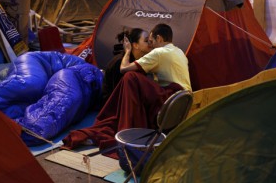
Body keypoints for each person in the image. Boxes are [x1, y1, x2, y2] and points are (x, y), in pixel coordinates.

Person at [62, 23, 191, 158]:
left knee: (132, 77)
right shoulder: (177, 51)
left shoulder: (156, 55)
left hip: (173, 99)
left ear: (159, 38)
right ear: (135, 45)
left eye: (151, 41)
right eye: (147, 41)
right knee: (131, 78)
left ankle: (133, 129)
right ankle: (129, 130)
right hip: (181, 98)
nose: (150, 45)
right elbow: (118, 88)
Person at [101, 28, 151, 102]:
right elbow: (116, 93)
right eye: (146, 41)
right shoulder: (119, 63)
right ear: (136, 45)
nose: (150, 43)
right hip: (113, 104)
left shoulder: (142, 60)